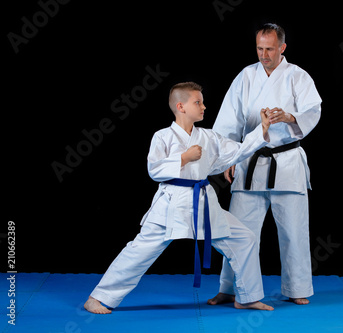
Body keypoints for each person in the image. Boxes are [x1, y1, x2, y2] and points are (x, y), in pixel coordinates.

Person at [84, 82, 274, 314]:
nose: (204, 106)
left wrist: (262, 130)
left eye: (202, 102)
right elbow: (154, 170)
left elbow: (237, 151)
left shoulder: (209, 136)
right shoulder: (162, 136)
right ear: (180, 106)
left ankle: (247, 297)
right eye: (198, 102)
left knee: (244, 239)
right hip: (171, 203)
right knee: (139, 251)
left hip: (203, 201)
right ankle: (98, 297)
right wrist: (183, 158)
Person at [208, 23, 321, 306]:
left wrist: (290, 117)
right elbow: (229, 120)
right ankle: (230, 288)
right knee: (237, 232)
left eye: (269, 49)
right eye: (260, 48)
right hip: (250, 161)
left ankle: (296, 289)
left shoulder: (298, 76)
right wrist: (229, 158)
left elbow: (312, 111)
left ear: (282, 47)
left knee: (294, 230)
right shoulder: (246, 76)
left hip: (287, 161)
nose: (264, 54)